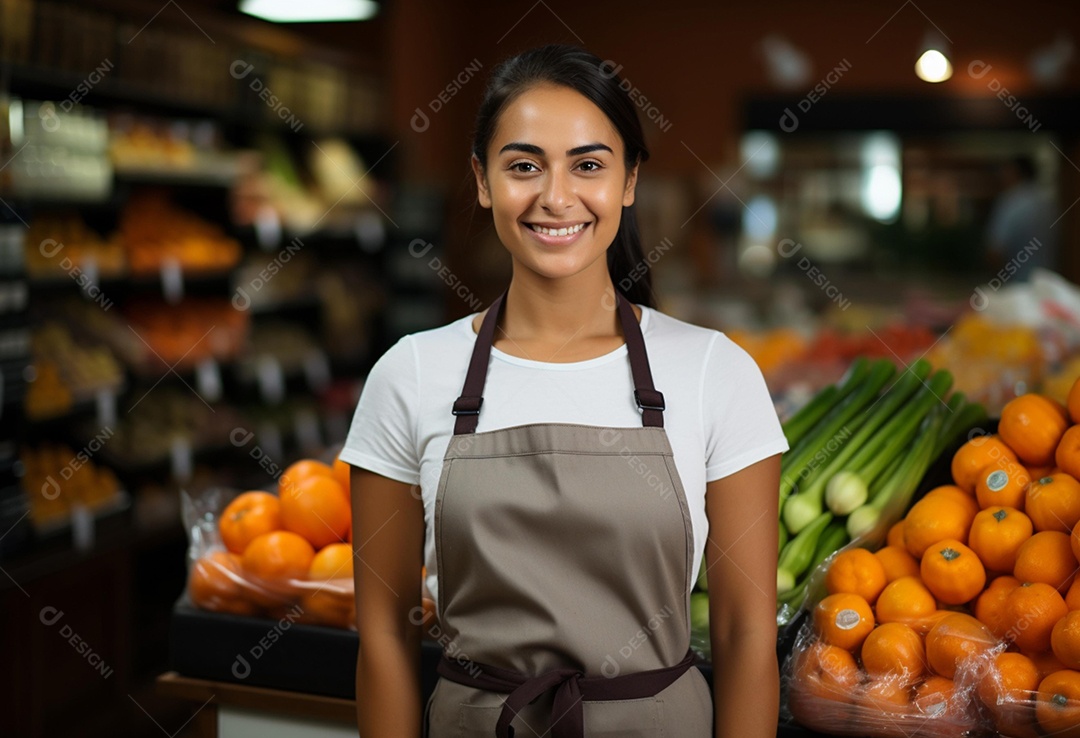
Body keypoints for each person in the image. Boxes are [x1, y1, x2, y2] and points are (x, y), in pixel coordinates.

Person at [343, 44, 787, 738]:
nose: (555, 197)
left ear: (629, 180)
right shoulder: (410, 374)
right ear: (483, 181)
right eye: (524, 166)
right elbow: (384, 637)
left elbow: (745, 633)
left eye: (588, 165)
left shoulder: (714, 371)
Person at [986, 155, 1058, 281]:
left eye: (1005, 172)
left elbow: (995, 251)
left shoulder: (1010, 202)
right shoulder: (1048, 202)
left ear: (1014, 173)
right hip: (1049, 281)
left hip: (1018, 283)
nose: (1001, 178)